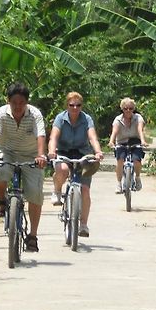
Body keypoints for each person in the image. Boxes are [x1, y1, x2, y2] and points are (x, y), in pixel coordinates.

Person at [0, 83, 47, 252]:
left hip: (31, 155)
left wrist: (41, 156)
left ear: (27, 102)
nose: (18, 106)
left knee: (35, 194)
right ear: (8, 101)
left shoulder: (35, 114)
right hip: (7, 151)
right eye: (14, 102)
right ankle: (2, 201)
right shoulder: (0, 113)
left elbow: (40, 135)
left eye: (21, 103)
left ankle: (33, 236)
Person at [47, 92, 104, 238]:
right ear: (67, 106)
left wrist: (97, 152)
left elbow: (92, 137)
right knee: (63, 169)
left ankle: (83, 225)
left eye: (78, 105)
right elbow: (53, 137)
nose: (75, 108)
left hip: (82, 154)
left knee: (85, 189)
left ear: (81, 106)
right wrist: (52, 151)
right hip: (64, 152)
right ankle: (58, 190)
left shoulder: (87, 119)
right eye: (71, 105)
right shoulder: (60, 118)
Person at [108, 97, 148, 194]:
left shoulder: (138, 118)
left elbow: (140, 129)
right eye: (125, 108)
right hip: (121, 142)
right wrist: (111, 141)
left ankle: (137, 177)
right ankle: (118, 183)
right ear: (122, 109)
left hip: (135, 141)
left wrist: (143, 141)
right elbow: (114, 131)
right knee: (120, 160)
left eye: (130, 108)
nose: (128, 110)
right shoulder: (118, 119)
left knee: (136, 160)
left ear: (133, 109)